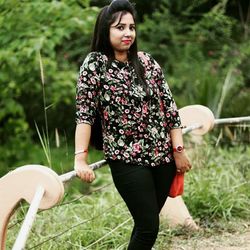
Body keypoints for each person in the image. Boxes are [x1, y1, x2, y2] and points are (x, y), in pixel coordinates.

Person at [74, 0, 191, 249]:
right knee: (148, 225)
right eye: (120, 27)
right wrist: (79, 159)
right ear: (105, 30)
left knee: (146, 226)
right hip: (126, 158)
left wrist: (178, 151)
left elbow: (170, 110)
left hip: (163, 157)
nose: (128, 33)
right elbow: (84, 114)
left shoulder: (147, 62)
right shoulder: (95, 65)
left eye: (131, 27)